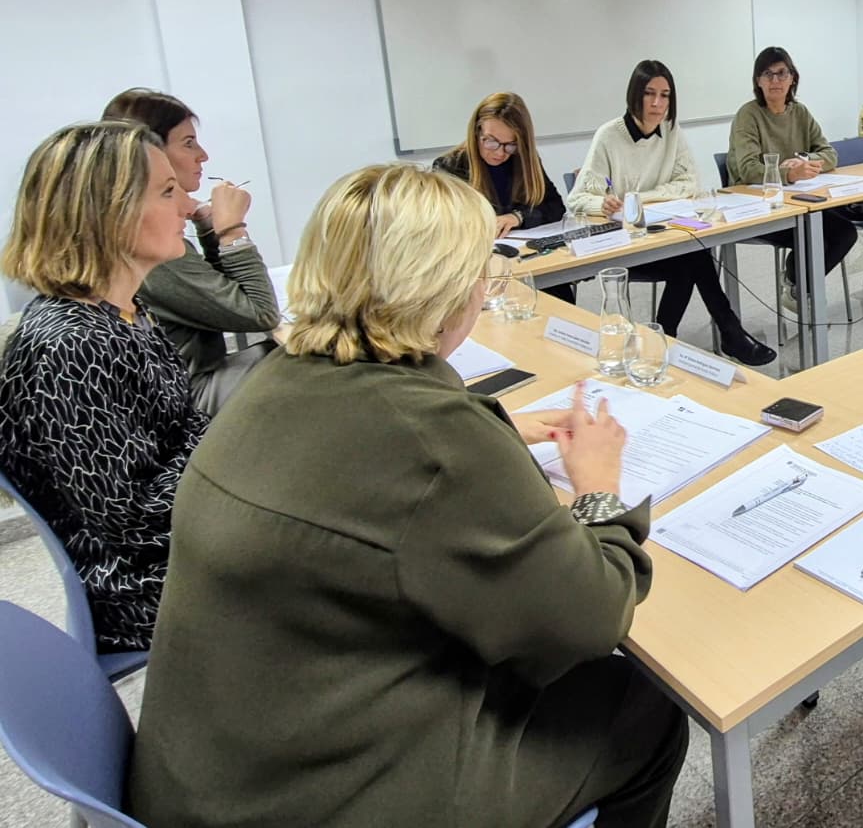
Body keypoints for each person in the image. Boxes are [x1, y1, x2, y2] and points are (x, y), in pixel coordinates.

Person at [127, 164, 688, 828]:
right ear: (448, 293)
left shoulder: (278, 376)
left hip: (209, 777)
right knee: (643, 709)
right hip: (313, 799)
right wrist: (598, 492)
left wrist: (493, 426)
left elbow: (360, 467)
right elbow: (593, 618)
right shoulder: (436, 441)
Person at [0, 121, 209, 651]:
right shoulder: (67, 346)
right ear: (106, 212)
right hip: (135, 589)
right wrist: (231, 446)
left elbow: (184, 432)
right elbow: (136, 525)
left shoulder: (127, 312)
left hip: (179, 545)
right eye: (167, 192)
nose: (188, 206)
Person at [567, 61, 777, 367]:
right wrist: (603, 205)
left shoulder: (670, 130)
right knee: (693, 260)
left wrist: (639, 199)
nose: (657, 103)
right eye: (649, 94)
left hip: (660, 238)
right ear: (634, 96)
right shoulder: (608, 137)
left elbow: (690, 182)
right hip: (623, 246)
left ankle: (665, 340)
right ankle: (725, 332)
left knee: (692, 255)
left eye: (665, 95)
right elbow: (577, 199)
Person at [102, 88, 280, 414]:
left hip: (180, 387)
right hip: (183, 401)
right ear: (149, 152)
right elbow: (259, 313)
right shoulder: (146, 242)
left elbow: (221, 299)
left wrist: (210, 227)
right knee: (296, 363)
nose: (203, 155)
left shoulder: (134, 229)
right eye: (188, 143)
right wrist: (231, 231)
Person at [726, 47, 858, 309]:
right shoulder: (748, 115)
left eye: (781, 73)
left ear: (792, 78)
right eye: (768, 74)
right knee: (814, 234)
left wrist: (807, 161)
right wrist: (788, 173)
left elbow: (829, 153)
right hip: (757, 206)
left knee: (845, 232)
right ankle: (798, 283)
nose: (775, 81)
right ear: (758, 81)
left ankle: (796, 283)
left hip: (797, 202)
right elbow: (747, 169)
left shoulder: (800, 113)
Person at [433, 91, 575, 305]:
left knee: (561, 308)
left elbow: (555, 206)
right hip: (479, 275)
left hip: (531, 265)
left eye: (511, 144)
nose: (500, 153)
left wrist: (518, 217)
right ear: (476, 132)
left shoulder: (523, 160)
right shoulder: (449, 168)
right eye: (491, 142)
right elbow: (445, 230)